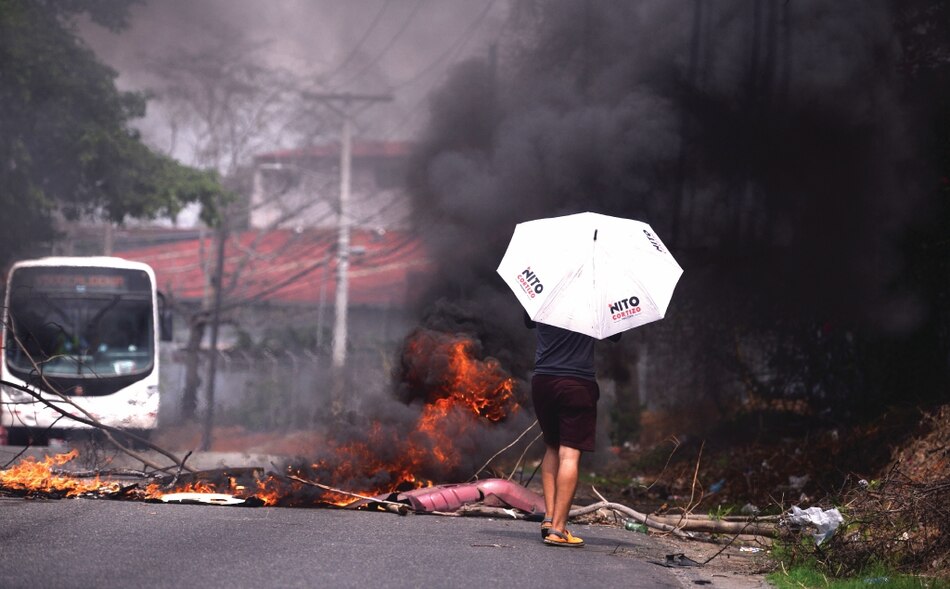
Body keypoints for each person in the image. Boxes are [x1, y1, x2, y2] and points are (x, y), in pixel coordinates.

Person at [525, 312, 620, 547]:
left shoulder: (548, 290)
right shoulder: (593, 298)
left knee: (551, 447)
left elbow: (528, 321)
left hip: (543, 381)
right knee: (569, 453)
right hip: (577, 384)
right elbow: (615, 334)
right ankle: (558, 530)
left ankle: (549, 518)